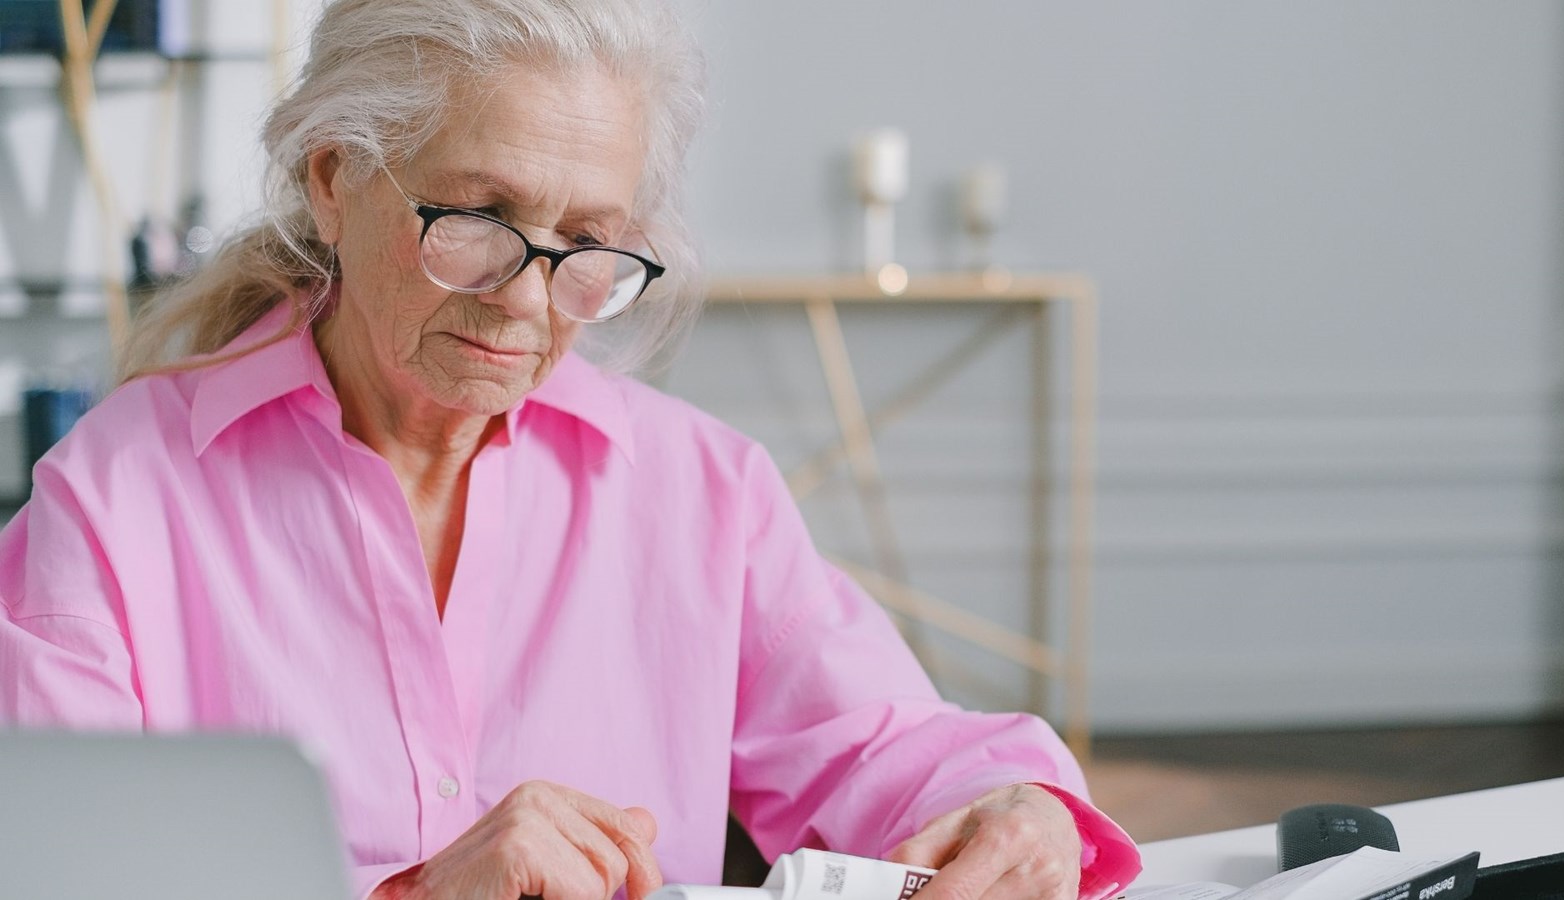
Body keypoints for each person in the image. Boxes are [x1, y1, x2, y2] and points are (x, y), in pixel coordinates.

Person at [0, 1, 1140, 898]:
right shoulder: (113, 501)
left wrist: (1018, 809)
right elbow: (55, 875)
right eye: (477, 220)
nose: (526, 302)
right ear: (335, 179)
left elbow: (889, 749)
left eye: (587, 244)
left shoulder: (703, 494)